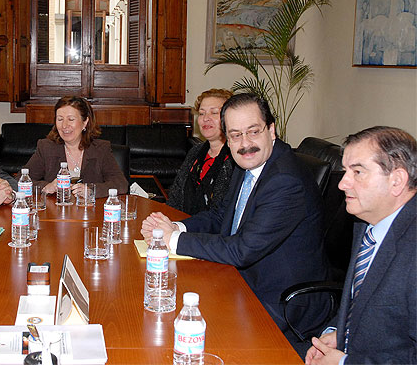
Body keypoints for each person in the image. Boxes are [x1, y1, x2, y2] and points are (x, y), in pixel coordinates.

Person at [141, 93, 329, 342]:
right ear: (227, 139)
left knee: (182, 327)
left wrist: (173, 239)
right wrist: (176, 226)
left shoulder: (285, 180)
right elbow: (222, 216)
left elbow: (242, 250)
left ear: (271, 130)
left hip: (280, 300)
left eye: (253, 131)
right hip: (242, 279)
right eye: (235, 135)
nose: (245, 143)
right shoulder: (248, 164)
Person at [305, 127, 416, 365]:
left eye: (358, 172)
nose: (343, 184)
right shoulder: (368, 224)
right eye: (346, 171)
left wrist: (344, 363)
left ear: (397, 180)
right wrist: (335, 332)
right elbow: (362, 304)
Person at [25, 96, 128, 198]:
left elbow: (121, 184)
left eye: (71, 119)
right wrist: (46, 187)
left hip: (91, 212)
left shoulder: (101, 149)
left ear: (85, 122)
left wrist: (91, 191)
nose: (64, 125)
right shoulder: (46, 147)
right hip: (56, 212)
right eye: (60, 119)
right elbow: (21, 180)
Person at [167, 88, 235, 215]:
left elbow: (223, 214)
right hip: (182, 225)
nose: (206, 118)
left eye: (214, 113)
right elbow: (175, 196)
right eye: (202, 113)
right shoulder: (196, 151)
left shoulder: (236, 158)